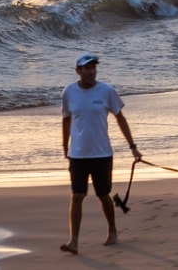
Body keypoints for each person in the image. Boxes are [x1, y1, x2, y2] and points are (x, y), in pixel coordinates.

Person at [61, 53, 142, 254]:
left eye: (93, 67)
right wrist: (65, 147)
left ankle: (112, 231)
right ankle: (74, 241)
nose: (91, 71)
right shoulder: (69, 92)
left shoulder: (107, 91)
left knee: (103, 194)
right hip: (78, 154)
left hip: (101, 153)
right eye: (86, 68)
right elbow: (66, 120)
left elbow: (120, 118)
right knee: (77, 195)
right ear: (78, 71)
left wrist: (133, 146)